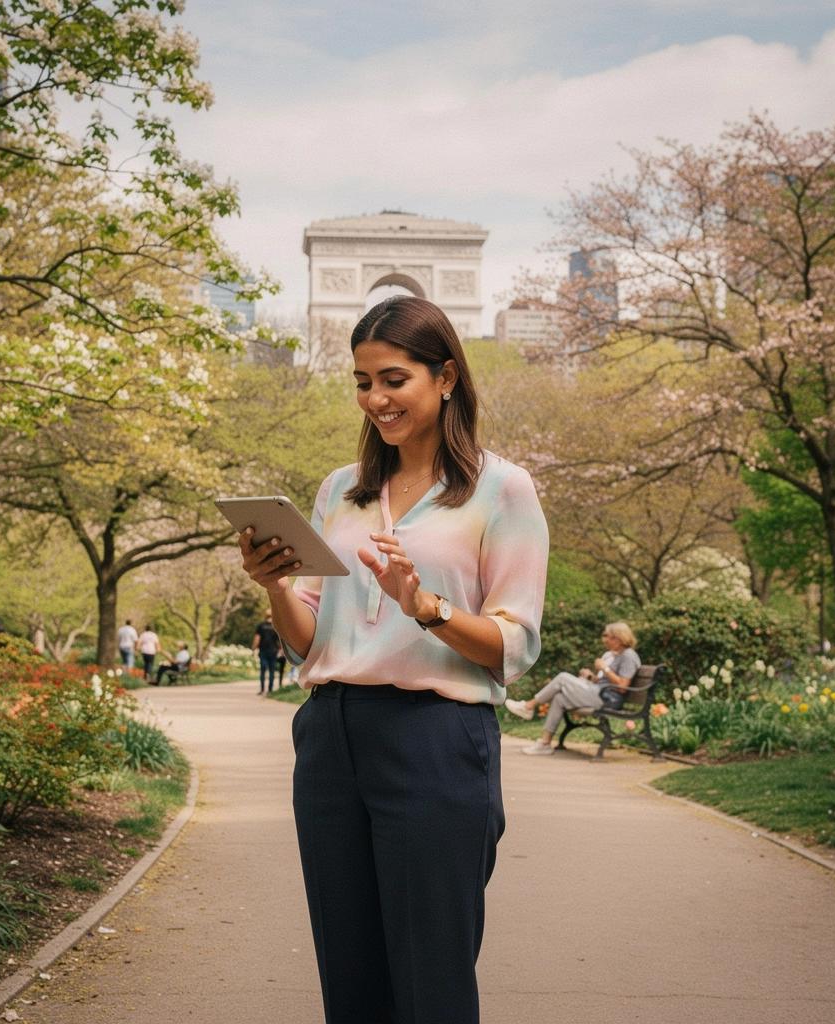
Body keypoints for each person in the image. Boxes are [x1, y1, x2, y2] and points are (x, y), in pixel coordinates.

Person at [238, 296, 548, 1024]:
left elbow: (515, 645)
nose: (374, 398)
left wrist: (428, 607)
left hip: (434, 742)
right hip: (330, 739)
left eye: (393, 379)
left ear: (445, 379)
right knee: (350, 977)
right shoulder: (340, 492)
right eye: (361, 382)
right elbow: (310, 640)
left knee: (429, 978)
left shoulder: (502, 489)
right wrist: (276, 585)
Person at [504, 621, 641, 755]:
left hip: (608, 699)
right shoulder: (612, 655)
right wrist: (591, 677)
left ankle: (528, 707)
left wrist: (604, 668)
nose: (605, 640)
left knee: (563, 678)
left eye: (609, 637)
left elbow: (622, 687)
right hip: (599, 692)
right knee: (559, 698)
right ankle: (545, 744)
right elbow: (604, 681)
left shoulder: (628, 656)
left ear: (620, 638)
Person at [252, 610, 281, 694]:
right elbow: (280, 640)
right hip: (273, 651)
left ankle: (262, 689)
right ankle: (270, 690)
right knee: (272, 671)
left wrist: (253, 649)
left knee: (263, 670)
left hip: (263, 651)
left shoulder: (261, 626)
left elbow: (257, 639)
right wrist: (280, 649)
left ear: (265, 616)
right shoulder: (276, 626)